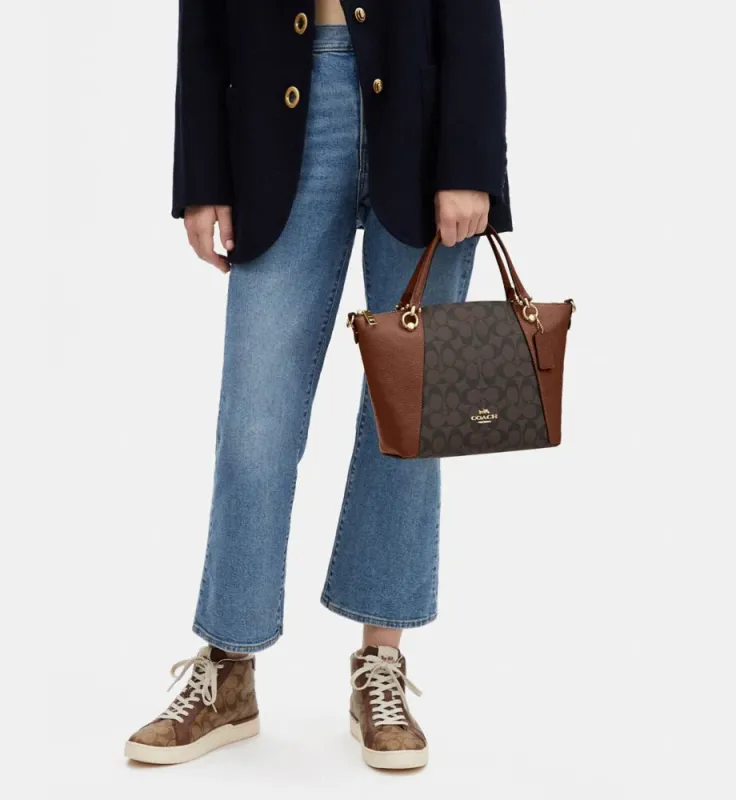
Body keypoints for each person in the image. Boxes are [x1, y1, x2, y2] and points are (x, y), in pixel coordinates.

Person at [126, 0, 511, 771]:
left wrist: (471, 162)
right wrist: (202, 175)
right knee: (255, 419)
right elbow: (204, 15)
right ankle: (228, 665)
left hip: (423, 105)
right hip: (278, 107)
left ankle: (381, 663)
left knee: (411, 416)